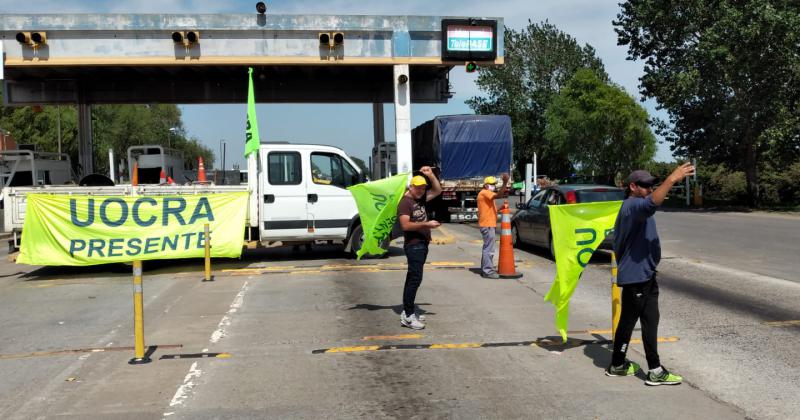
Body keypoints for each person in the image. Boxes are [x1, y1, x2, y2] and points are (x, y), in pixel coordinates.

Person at [606, 162, 695, 385]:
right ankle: (651, 370)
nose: (649, 189)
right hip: (637, 276)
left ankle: (621, 364)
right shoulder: (633, 205)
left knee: (646, 320)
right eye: (646, 186)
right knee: (635, 321)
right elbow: (652, 203)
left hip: (643, 274)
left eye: (651, 185)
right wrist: (672, 179)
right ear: (633, 186)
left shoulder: (633, 206)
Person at [396, 166, 442, 329]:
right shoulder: (405, 203)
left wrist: (430, 175)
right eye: (419, 189)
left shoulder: (419, 199)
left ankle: (407, 311)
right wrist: (426, 224)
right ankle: (408, 316)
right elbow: (405, 225)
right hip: (413, 245)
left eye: (423, 189)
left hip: (422, 244)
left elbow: (437, 190)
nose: (422, 192)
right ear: (411, 187)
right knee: (414, 279)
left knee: (414, 278)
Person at [476, 173, 509, 278]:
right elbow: (499, 195)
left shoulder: (487, 196)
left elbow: (492, 210)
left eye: (494, 184)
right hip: (487, 225)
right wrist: (505, 183)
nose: (494, 186)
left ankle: (485, 269)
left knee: (487, 247)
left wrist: (500, 208)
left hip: (488, 224)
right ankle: (487, 271)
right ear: (486, 185)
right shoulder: (485, 193)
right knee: (489, 249)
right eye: (492, 184)